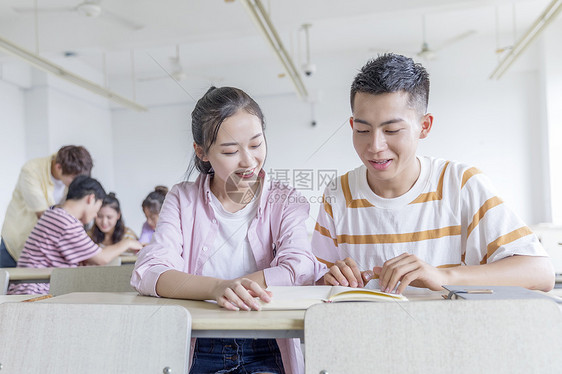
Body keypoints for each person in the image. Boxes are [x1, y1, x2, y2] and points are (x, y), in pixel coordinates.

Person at [313, 53, 554, 295]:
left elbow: (540, 273)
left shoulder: (460, 184)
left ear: (424, 126)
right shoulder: (338, 192)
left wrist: (441, 276)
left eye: (392, 130)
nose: (375, 146)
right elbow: (315, 282)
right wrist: (332, 278)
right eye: (363, 130)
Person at [131, 86, 324, 374]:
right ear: (202, 152)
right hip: (198, 342)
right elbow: (150, 272)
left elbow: (300, 269)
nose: (248, 161)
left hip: (269, 341)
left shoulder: (285, 199)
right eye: (231, 151)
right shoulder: (182, 198)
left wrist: (232, 288)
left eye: (256, 145)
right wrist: (217, 287)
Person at [8, 176, 143, 295]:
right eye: (98, 208)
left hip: (28, 287)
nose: (96, 215)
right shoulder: (66, 222)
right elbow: (101, 258)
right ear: (91, 199)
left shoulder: (54, 213)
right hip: (34, 291)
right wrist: (128, 243)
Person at [0, 145, 93, 267]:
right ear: (58, 168)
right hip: (16, 245)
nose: (78, 184)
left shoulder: (71, 168)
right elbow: (45, 217)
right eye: (73, 179)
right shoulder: (31, 171)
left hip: (45, 252)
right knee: (8, 284)